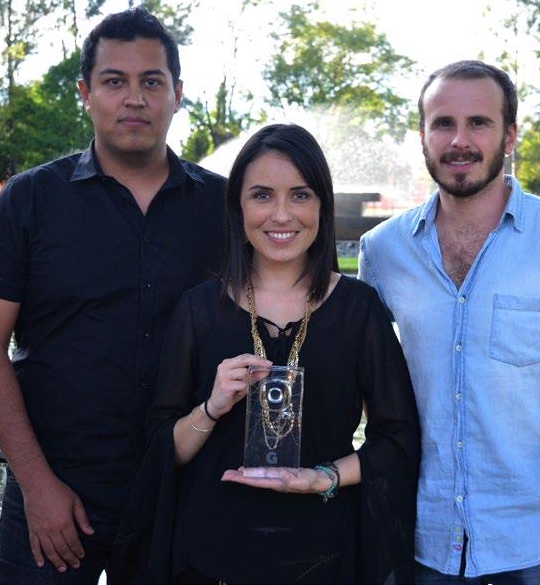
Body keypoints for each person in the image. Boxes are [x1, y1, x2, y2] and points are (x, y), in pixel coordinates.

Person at [0, 8, 226, 584]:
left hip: (180, 491)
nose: (134, 99)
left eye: (151, 81)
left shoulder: (224, 208)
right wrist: (36, 484)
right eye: (114, 81)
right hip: (55, 493)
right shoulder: (30, 200)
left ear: (177, 94)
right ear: (86, 93)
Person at [359, 60, 540, 584]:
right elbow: (367, 386)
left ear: (509, 135)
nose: (459, 141)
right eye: (443, 123)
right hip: (421, 541)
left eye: (478, 123)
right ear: (422, 136)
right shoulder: (383, 251)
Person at [131, 123, 420, 584]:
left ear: (322, 205)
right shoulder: (199, 309)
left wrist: (323, 477)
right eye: (262, 195)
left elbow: (397, 440)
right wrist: (211, 407)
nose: (281, 215)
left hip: (321, 554)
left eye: (300, 195)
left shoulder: (358, 309)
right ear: (238, 206)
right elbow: (165, 449)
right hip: (211, 555)